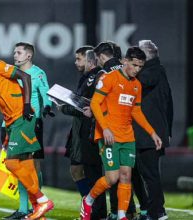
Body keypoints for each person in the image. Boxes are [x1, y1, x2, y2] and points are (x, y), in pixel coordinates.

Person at [0, 40, 54, 220]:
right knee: (26, 166)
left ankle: (42, 200)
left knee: (12, 163)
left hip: (23, 116)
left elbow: (24, 77)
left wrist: (27, 105)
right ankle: (38, 210)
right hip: (10, 121)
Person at [80, 47, 162, 220]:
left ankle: (122, 215)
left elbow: (136, 112)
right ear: (125, 61)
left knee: (126, 176)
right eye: (134, 65)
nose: (137, 69)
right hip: (108, 135)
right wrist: (105, 128)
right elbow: (95, 104)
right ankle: (88, 200)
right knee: (112, 178)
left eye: (140, 66)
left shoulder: (136, 85)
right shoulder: (109, 78)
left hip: (127, 136)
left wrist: (152, 133)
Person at [2, 42, 55, 219]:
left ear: (28, 56)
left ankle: (37, 204)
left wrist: (47, 107)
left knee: (32, 166)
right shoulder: (12, 74)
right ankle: (25, 208)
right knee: (19, 166)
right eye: (14, 52)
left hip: (32, 123)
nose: (14, 55)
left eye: (18, 52)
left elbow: (46, 93)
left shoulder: (38, 74)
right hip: (14, 124)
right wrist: (4, 125)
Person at [60, 46, 107, 220]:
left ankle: (95, 209)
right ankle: (90, 208)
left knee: (91, 172)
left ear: (89, 60)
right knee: (77, 170)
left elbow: (86, 108)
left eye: (79, 59)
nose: (76, 63)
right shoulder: (86, 78)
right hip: (80, 131)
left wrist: (65, 107)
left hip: (89, 132)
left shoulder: (96, 77)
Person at [93, 41, 137, 220]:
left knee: (119, 176)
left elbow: (95, 103)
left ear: (101, 57)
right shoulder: (126, 75)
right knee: (119, 177)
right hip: (119, 130)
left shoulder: (104, 75)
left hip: (114, 131)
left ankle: (118, 213)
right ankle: (126, 212)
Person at [131, 40, 173, 220]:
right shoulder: (158, 72)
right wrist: (168, 131)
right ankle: (152, 209)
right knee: (142, 173)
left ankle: (157, 211)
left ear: (146, 55)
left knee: (149, 174)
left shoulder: (152, 72)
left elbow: (142, 81)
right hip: (151, 133)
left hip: (148, 135)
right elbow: (169, 106)